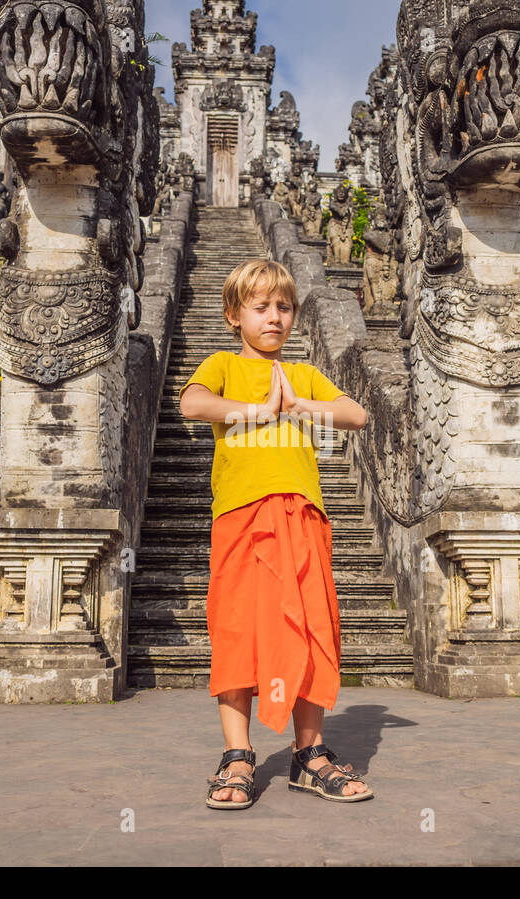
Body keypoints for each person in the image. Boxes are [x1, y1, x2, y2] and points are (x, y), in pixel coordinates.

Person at [177, 258, 374, 810]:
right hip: (241, 518)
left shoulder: (303, 374)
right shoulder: (222, 365)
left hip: (302, 516)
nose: (274, 318)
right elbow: (191, 403)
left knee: (313, 630)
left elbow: (356, 415)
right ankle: (237, 756)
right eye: (260, 308)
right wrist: (256, 413)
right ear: (233, 315)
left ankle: (308, 754)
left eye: (283, 307)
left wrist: (299, 405)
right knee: (239, 630)